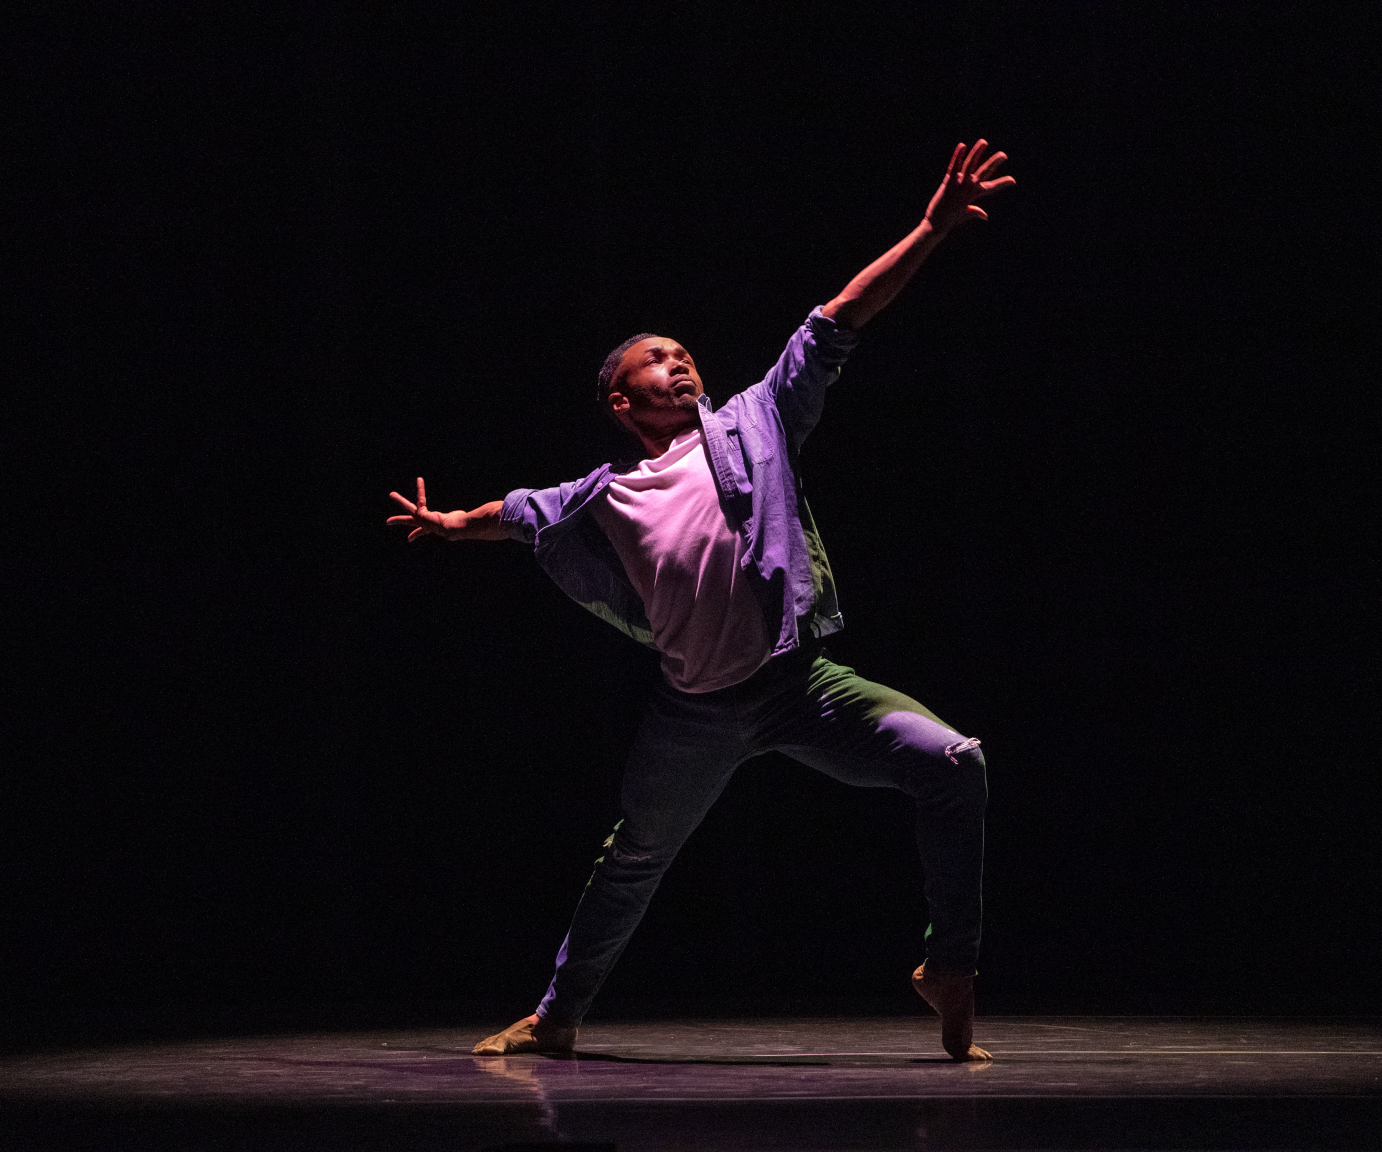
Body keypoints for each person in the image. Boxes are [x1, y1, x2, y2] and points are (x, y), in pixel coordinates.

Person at [388, 140, 1015, 1061]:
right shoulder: (602, 492)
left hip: (804, 686)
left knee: (955, 762)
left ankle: (948, 966)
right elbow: (519, 515)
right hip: (698, 711)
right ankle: (557, 1018)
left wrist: (931, 229)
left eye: (684, 354)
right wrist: (451, 527)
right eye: (656, 360)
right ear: (619, 398)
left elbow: (835, 322)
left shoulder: (755, 422)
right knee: (634, 858)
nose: (679, 365)